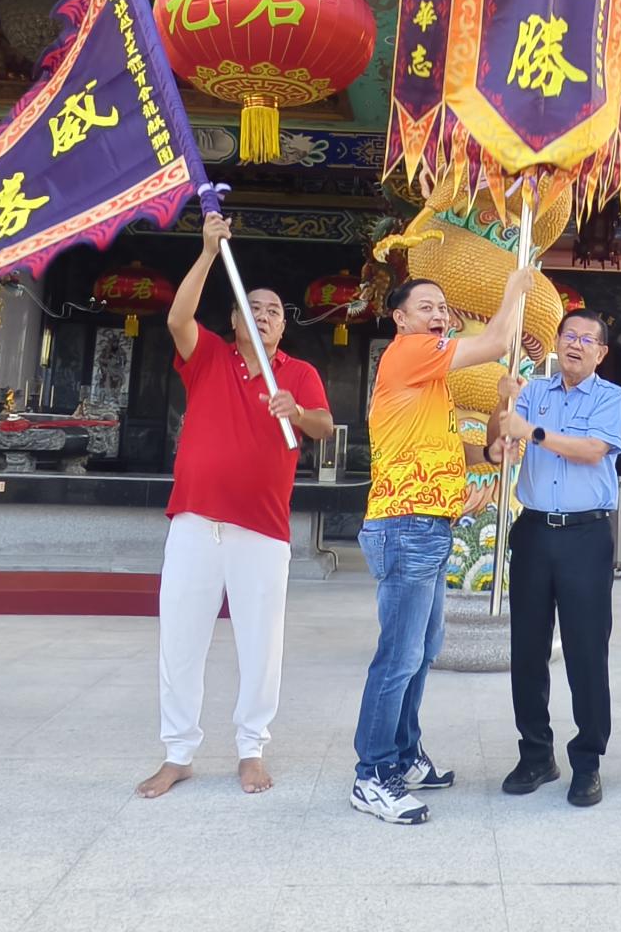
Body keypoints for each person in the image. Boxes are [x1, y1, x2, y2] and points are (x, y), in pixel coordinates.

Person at [138, 212, 333, 801]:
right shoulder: (211, 359)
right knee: (181, 638)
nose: (266, 315)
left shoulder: (297, 373)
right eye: (256, 307)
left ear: (281, 327)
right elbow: (176, 318)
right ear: (235, 320)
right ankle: (178, 753)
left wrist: (293, 411)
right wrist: (205, 251)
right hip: (196, 523)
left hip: (263, 530)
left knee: (260, 641)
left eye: (275, 311)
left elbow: (323, 426)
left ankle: (252, 747)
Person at [349, 269, 534, 826]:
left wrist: (493, 443)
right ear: (400, 318)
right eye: (425, 305)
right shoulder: (408, 353)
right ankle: (372, 774)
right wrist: (513, 290)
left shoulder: (430, 386)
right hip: (405, 523)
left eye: (443, 306)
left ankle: (404, 755)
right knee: (398, 656)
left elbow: (462, 452)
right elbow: (499, 341)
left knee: (422, 652)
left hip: (429, 525)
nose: (438, 313)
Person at [487, 308, 621, 808]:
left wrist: (532, 433)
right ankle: (536, 754)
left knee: (587, 651)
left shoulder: (612, 397)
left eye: (588, 339)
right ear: (557, 341)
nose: (576, 344)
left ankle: (587, 761)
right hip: (533, 532)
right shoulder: (533, 391)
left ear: (600, 353)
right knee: (526, 649)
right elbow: (499, 442)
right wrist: (500, 412)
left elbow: (592, 451)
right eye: (569, 335)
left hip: (586, 535)